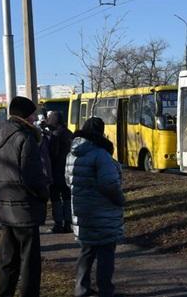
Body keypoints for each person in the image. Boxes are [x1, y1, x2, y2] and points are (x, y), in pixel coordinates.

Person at [0, 96, 49, 297]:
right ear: (25, 115)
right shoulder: (26, 137)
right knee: (29, 262)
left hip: (3, 205)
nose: (35, 118)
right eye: (33, 114)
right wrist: (43, 194)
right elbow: (32, 176)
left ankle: (4, 293)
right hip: (24, 207)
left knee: (7, 258)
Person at [65, 117, 124, 297]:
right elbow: (109, 184)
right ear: (101, 132)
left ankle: (81, 289)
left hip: (82, 211)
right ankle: (106, 290)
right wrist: (120, 200)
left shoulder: (72, 154)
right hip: (103, 212)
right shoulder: (101, 154)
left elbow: (68, 181)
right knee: (106, 253)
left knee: (86, 251)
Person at [47, 110, 73, 233]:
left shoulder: (55, 135)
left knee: (56, 198)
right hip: (68, 170)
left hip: (56, 171)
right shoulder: (69, 133)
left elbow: (53, 154)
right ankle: (68, 223)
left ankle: (58, 224)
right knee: (67, 197)